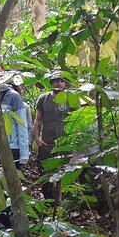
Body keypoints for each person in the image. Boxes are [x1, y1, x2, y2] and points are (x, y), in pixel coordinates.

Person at [34, 69, 73, 202]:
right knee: (45, 175)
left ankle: (64, 202)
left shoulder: (72, 98)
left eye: (62, 81)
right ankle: (48, 202)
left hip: (66, 144)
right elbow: (38, 120)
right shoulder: (43, 98)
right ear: (51, 82)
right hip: (47, 143)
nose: (59, 83)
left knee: (67, 175)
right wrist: (37, 138)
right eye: (56, 80)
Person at [0, 80, 29, 169]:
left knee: (9, 180)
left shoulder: (14, 96)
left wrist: (24, 154)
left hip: (11, 146)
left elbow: (22, 125)